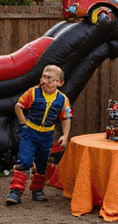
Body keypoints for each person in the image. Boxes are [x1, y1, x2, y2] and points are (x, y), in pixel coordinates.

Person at [6, 65, 73, 206]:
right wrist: (24, 123)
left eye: (51, 78)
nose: (46, 81)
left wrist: (65, 135)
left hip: (47, 135)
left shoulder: (62, 99)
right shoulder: (32, 93)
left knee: (43, 163)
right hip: (30, 133)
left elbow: (66, 118)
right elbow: (18, 106)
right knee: (25, 161)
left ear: (59, 83)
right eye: (44, 77)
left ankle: (37, 190)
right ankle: (15, 192)